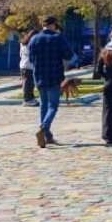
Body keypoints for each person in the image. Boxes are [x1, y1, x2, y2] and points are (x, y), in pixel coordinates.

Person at [27, 15, 75, 147]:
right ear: (53, 25)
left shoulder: (34, 39)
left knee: (43, 105)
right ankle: (43, 128)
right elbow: (69, 55)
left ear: (43, 25)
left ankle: (47, 136)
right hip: (55, 76)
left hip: (39, 76)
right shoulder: (57, 38)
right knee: (53, 106)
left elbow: (30, 59)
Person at [19, 30, 37, 106]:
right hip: (29, 66)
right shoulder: (32, 44)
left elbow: (20, 54)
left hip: (24, 65)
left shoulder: (22, 44)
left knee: (30, 84)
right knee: (28, 84)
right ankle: (27, 99)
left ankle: (31, 98)